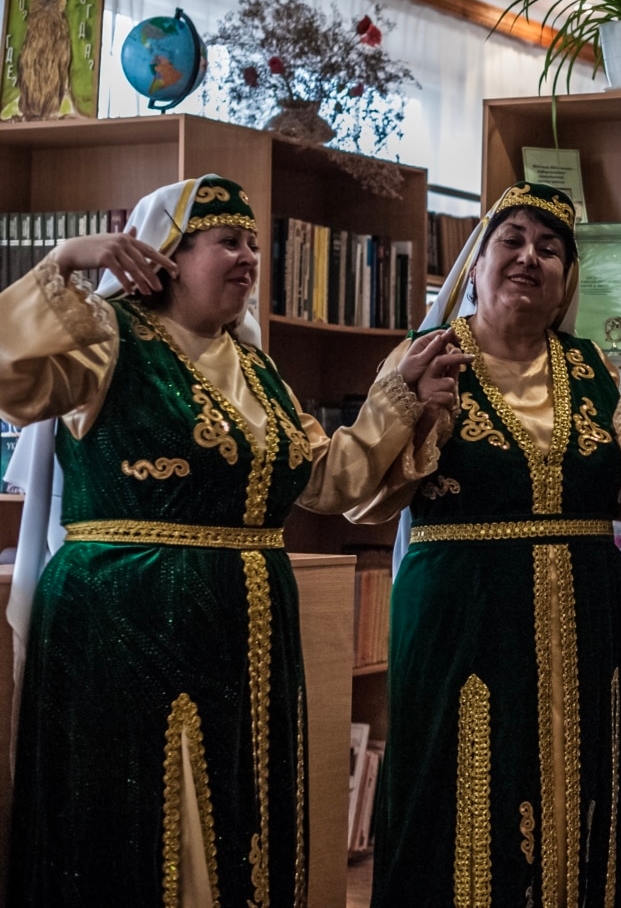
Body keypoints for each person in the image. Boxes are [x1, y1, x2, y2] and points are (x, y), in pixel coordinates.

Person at [2, 175, 450, 907]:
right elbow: (8, 372)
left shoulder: (256, 370)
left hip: (246, 631)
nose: (247, 257)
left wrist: (399, 395)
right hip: (123, 620)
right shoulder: (107, 340)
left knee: (240, 809)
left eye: (253, 244)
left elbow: (326, 481)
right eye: (227, 242)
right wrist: (66, 262)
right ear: (168, 257)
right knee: (142, 817)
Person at [354, 182, 621, 908]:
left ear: (567, 277)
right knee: (464, 788)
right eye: (511, 241)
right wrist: (418, 416)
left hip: (586, 622)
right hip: (463, 619)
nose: (529, 258)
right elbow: (364, 494)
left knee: (582, 785)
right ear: (476, 263)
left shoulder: (590, 367)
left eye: (550, 249)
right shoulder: (426, 356)